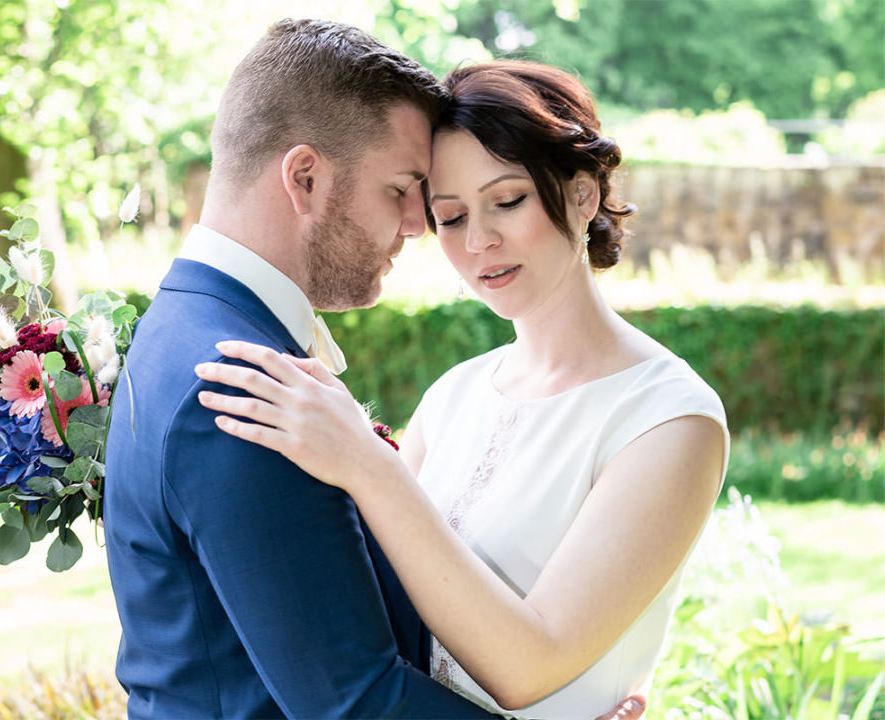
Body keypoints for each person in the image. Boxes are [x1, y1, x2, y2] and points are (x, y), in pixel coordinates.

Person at [105, 19, 647, 720]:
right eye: (402, 189)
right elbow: (354, 703)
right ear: (304, 178)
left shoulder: (188, 325)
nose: (422, 226)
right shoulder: (240, 384)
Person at [194, 59, 730, 718]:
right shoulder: (456, 394)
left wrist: (365, 461)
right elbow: (372, 612)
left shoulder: (670, 420)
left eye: (508, 200)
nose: (480, 240)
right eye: (449, 217)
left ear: (584, 195)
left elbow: (526, 666)